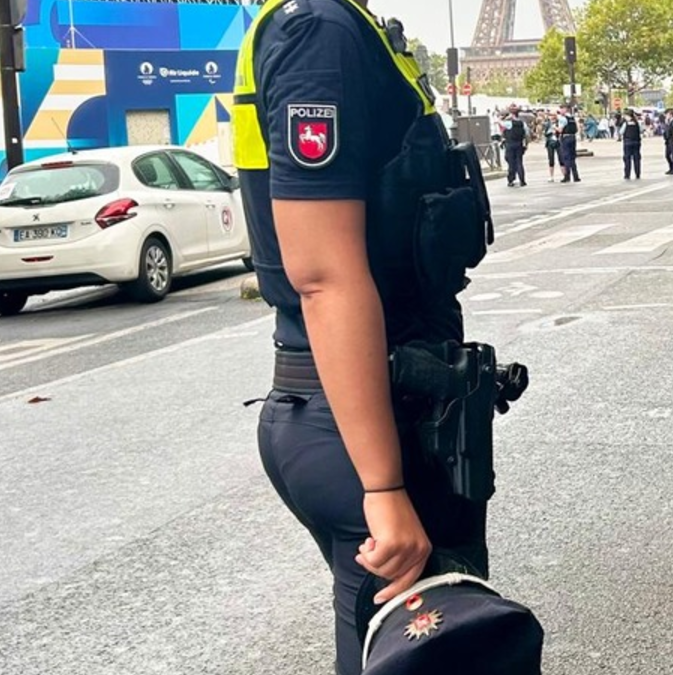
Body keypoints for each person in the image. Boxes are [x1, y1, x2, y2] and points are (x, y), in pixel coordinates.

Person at [231, 1, 500, 672]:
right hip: (365, 418)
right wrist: (381, 486)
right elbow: (323, 275)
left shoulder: (333, 24)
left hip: (359, 406)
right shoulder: (320, 31)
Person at [502, 105, 528, 187]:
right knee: (519, 162)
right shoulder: (522, 123)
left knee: (511, 163)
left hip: (510, 144)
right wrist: (526, 145)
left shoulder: (508, 123)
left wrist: (504, 119)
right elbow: (527, 134)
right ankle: (522, 180)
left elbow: (500, 124)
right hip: (519, 144)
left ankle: (511, 180)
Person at [558, 107, 581, 183]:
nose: (560, 111)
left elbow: (560, 130)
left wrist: (554, 128)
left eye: (561, 109)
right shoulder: (572, 118)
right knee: (572, 157)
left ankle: (567, 176)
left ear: (565, 110)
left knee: (566, 157)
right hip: (573, 137)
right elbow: (577, 129)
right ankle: (576, 176)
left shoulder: (563, 119)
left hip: (565, 137)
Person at [618, 110, 642, 180]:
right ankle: (637, 174)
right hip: (637, 143)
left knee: (627, 159)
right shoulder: (637, 123)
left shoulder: (625, 124)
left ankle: (627, 174)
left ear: (628, 116)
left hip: (627, 143)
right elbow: (641, 130)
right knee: (637, 159)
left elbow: (621, 132)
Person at [543, 111, 561, 182]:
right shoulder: (547, 124)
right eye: (550, 116)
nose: (552, 117)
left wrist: (556, 129)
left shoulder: (559, 122)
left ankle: (565, 175)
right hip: (550, 142)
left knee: (561, 158)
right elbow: (545, 133)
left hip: (558, 142)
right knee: (551, 159)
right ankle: (551, 176)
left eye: (553, 115)